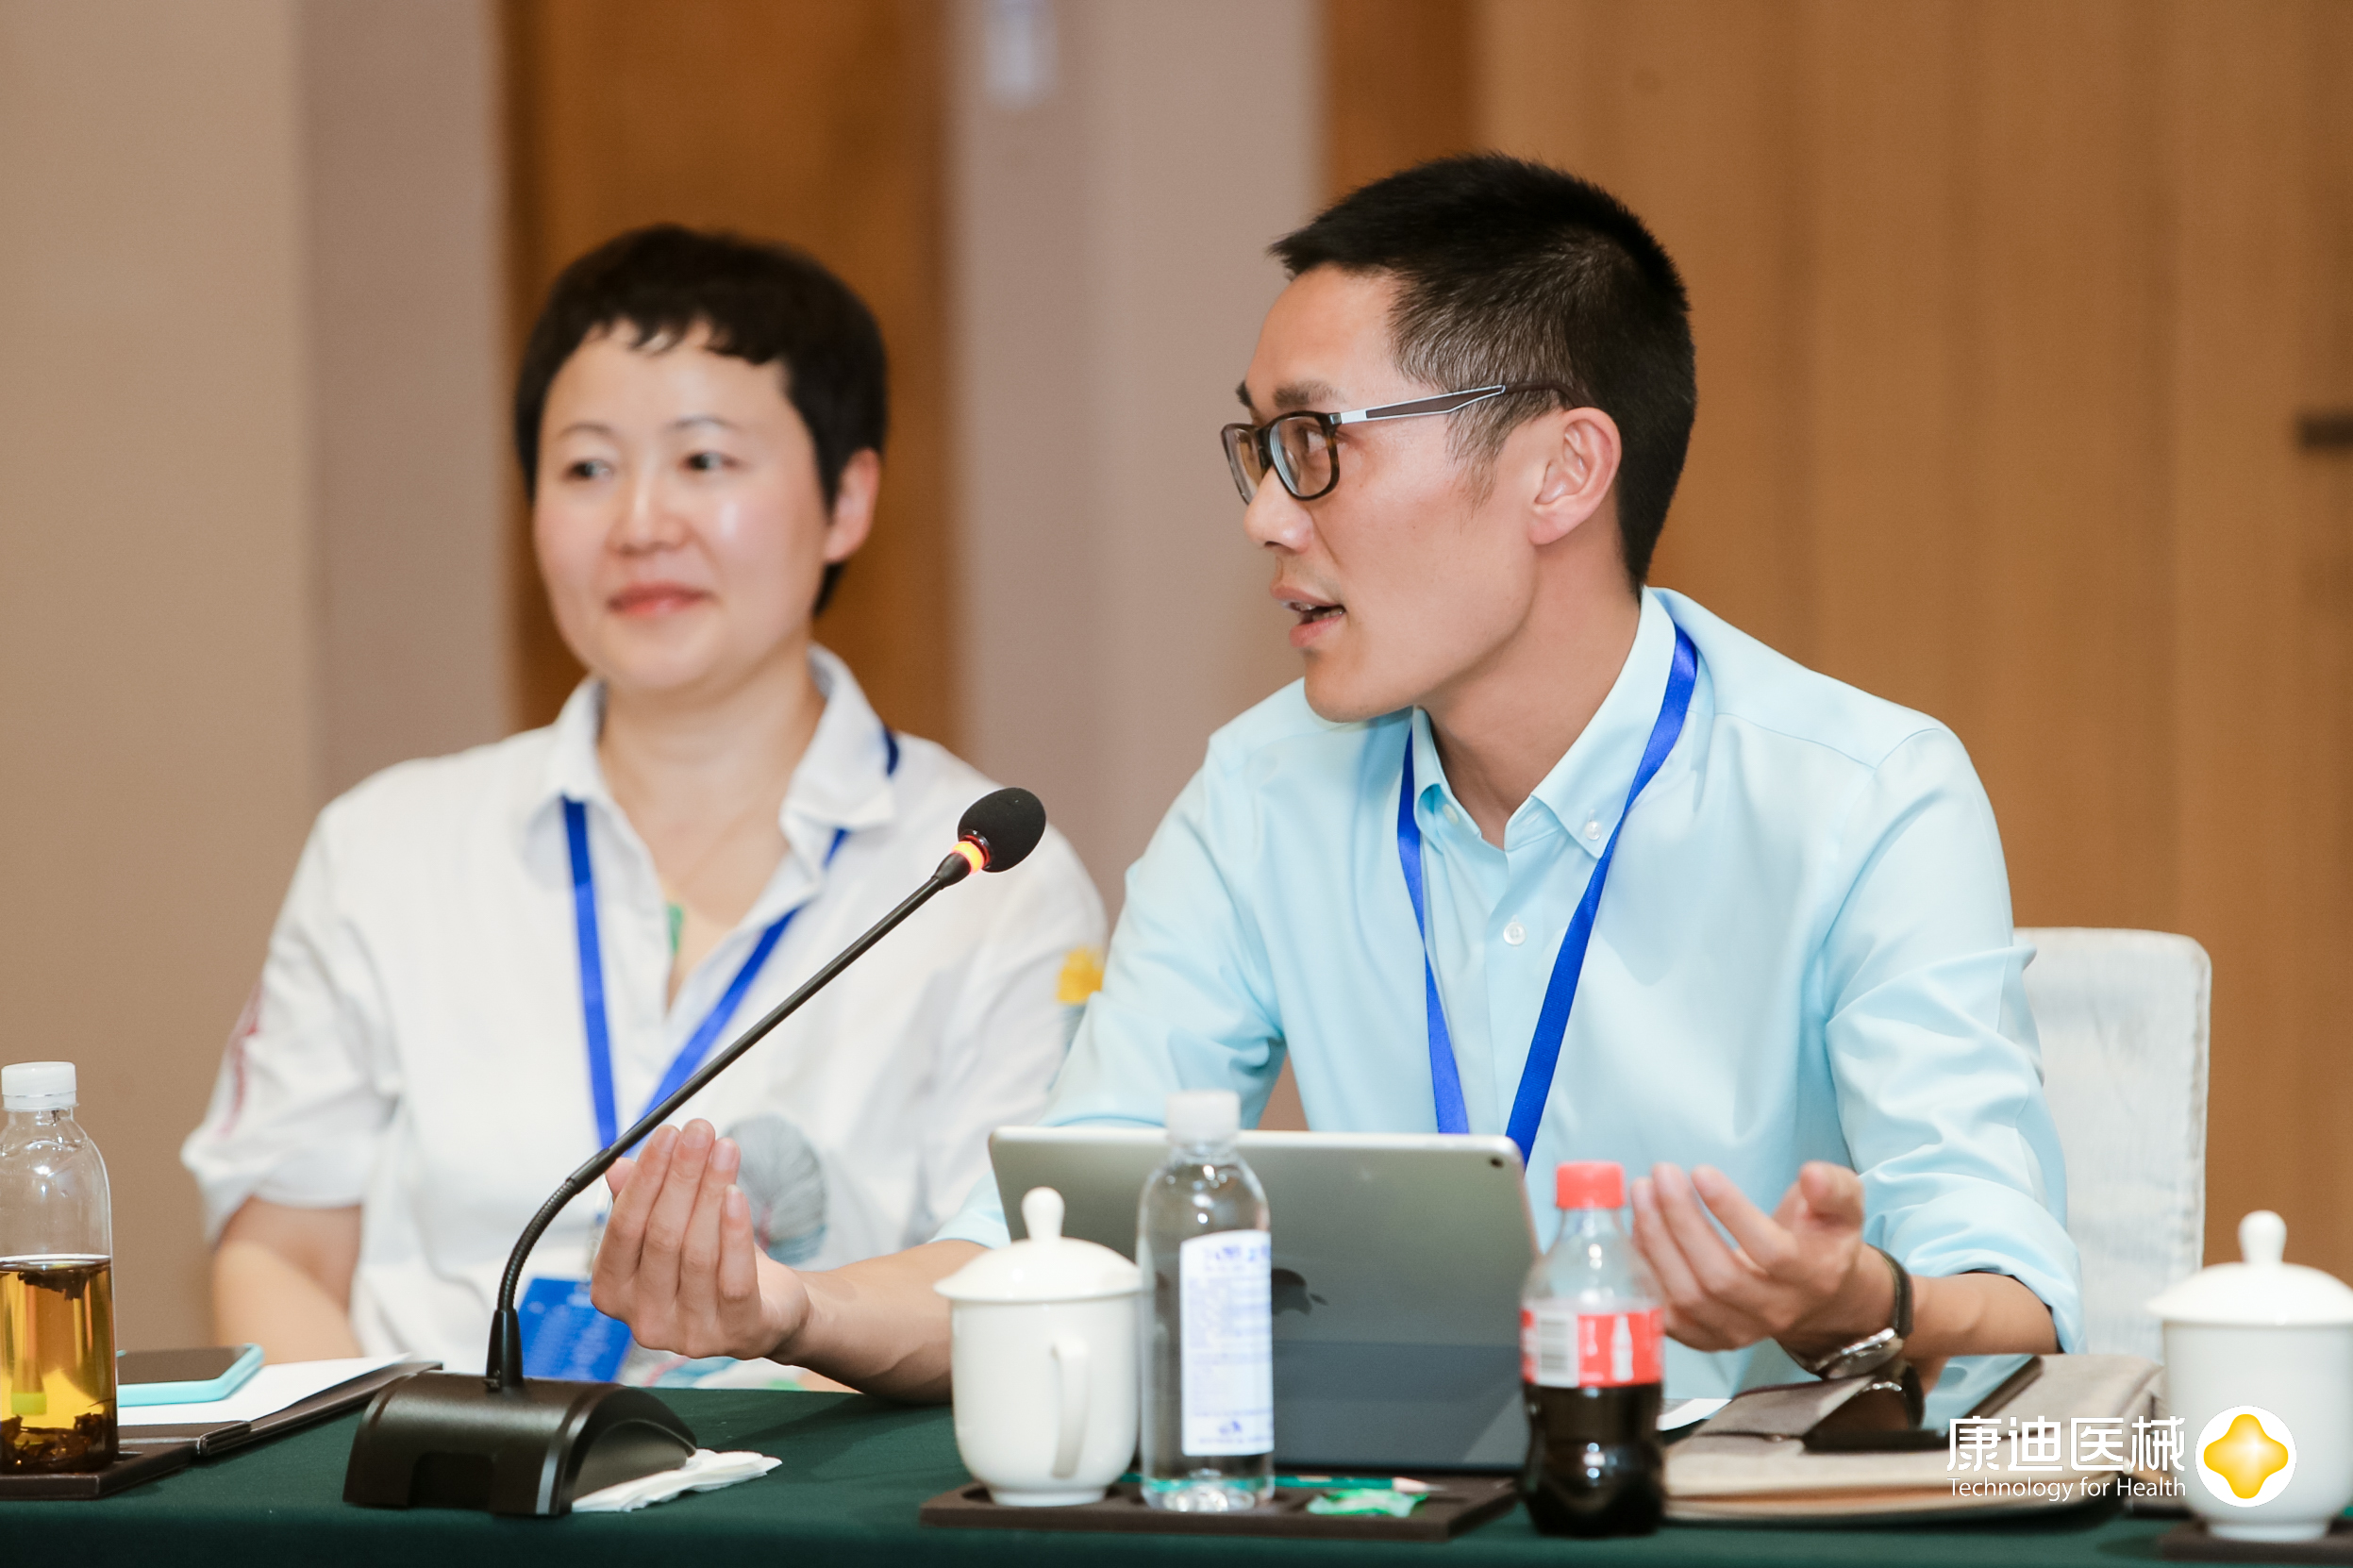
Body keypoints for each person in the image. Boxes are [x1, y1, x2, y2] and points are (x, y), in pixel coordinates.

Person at [586, 157, 2081, 1407]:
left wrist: (1851, 1299)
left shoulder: (1861, 796)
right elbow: (1048, 1247)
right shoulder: (1259, 798)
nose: (1261, 515)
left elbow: (2018, 1305)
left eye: (1310, 444)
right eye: (1254, 447)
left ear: (1562, 471)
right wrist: (787, 1308)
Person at [181, 226, 1104, 1380]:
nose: (640, 524)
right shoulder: (384, 851)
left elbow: (1018, 1279)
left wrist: (794, 1312)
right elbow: (283, 1255)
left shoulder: (986, 879)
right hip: (438, 1481)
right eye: (586, 469)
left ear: (847, 498)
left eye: (705, 461)